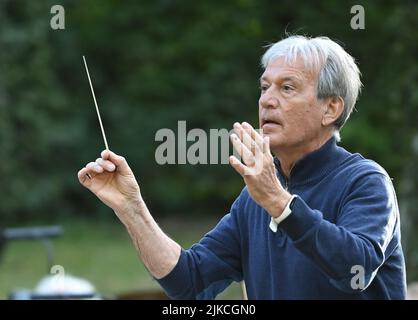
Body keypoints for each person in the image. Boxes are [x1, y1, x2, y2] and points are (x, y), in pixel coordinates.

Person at [78, 35, 406, 299]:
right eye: (265, 87)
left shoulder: (365, 182)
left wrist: (280, 204)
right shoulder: (254, 198)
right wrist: (132, 208)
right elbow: (188, 282)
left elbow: (355, 271)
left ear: (330, 108)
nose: (267, 100)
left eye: (287, 88)